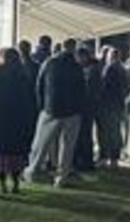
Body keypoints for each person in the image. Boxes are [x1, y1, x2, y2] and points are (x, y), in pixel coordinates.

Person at [23, 37, 85, 188]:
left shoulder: (50, 63)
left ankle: (32, 172)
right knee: (67, 147)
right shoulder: (77, 67)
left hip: (51, 108)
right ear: (74, 48)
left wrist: (42, 106)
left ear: (62, 46)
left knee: (40, 144)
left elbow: (39, 85)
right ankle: (61, 178)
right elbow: (82, 90)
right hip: (72, 111)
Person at [0, 47, 36, 193]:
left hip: (0, 118)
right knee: (17, 154)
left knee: (1, 153)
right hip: (18, 119)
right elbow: (28, 98)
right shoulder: (22, 74)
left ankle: (2, 185)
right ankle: (16, 184)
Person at [98, 47, 128, 169]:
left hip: (108, 104)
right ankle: (115, 158)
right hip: (119, 104)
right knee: (116, 132)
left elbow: (103, 86)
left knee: (107, 132)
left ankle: (107, 158)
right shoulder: (123, 69)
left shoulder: (109, 68)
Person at [74, 45, 102, 171]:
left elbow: (91, 90)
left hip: (87, 107)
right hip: (88, 107)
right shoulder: (91, 69)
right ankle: (84, 160)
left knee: (85, 134)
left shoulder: (92, 70)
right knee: (84, 134)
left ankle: (86, 161)